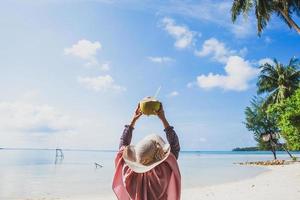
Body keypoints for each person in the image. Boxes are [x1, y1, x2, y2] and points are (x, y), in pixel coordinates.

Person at [112, 103, 181, 200]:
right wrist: (163, 118)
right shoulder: (163, 172)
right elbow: (175, 146)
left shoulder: (128, 173)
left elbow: (123, 144)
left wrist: (133, 120)